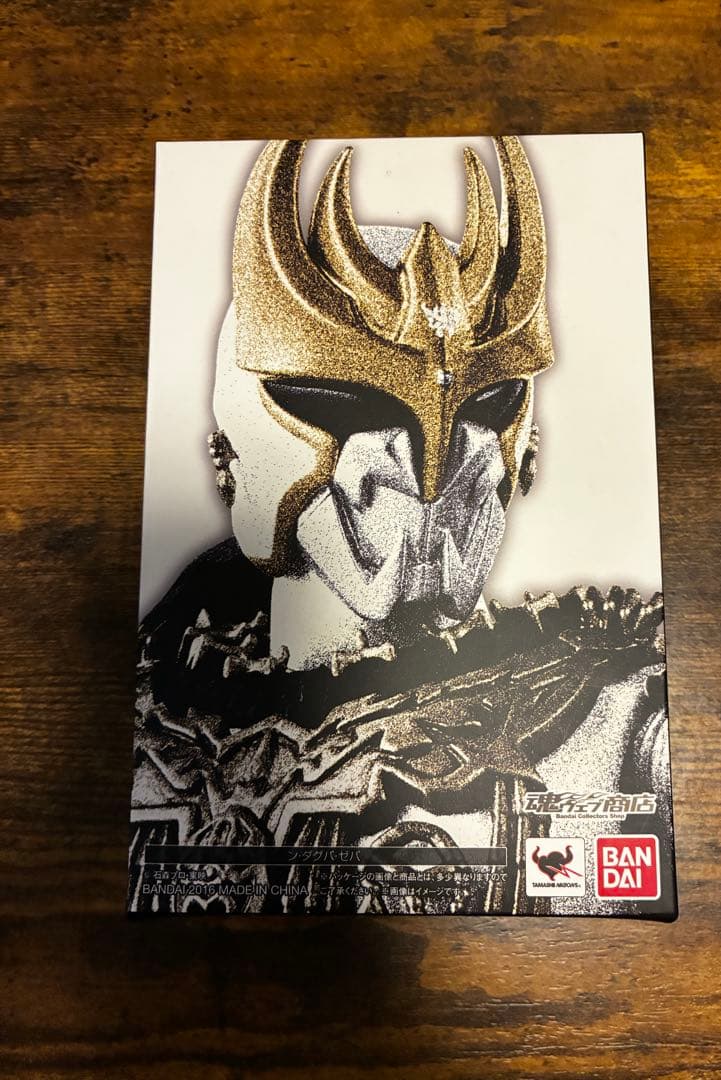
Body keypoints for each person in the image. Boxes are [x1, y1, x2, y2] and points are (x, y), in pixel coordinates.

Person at [129, 138, 674, 917]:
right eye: (346, 405)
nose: (428, 470)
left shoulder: (620, 712)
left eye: (484, 408)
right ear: (237, 442)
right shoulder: (150, 709)